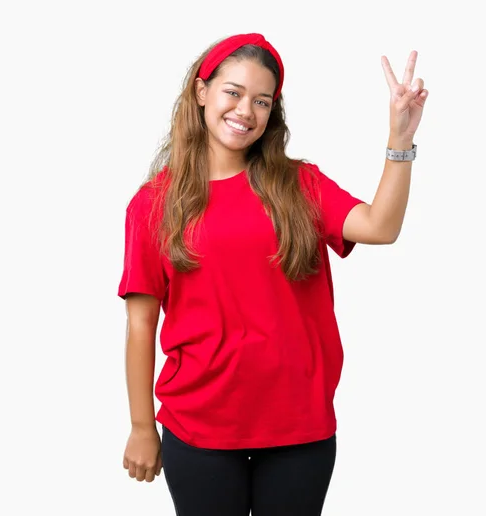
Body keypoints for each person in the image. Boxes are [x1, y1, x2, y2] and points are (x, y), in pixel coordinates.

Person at [117, 32, 428, 516]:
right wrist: (141, 426)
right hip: (198, 429)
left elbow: (380, 227)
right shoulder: (153, 204)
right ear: (202, 92)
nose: (246, 111)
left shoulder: (299, 184)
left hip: (298, 429)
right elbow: (141, 323)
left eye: (262, 101)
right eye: (233, 92)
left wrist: (400, 140)